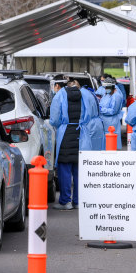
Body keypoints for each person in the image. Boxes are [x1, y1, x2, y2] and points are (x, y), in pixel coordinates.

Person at [50, 77, 83, 210]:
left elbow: (54, 118)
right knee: (78, 169)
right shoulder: (84, 95)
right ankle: (78, 201)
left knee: (64, 169)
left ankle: (65, 201)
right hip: (81, 133)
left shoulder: (59, 96)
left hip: (65, 133)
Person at [78, 81, 105, 151]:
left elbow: (82, 113)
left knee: (88, 154)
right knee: (97, 151)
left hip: (89, 125)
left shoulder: (81, 94)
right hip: (97, 124)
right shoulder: (89, 93)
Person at [99, 77, 124, 149]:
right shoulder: (107, 94)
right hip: (105, 121)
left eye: (107, 87)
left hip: (111, 122)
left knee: (112, 145)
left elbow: (113, 111)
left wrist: (101, 110)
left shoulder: (116, 96)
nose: (105, 89)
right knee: (105, 144)